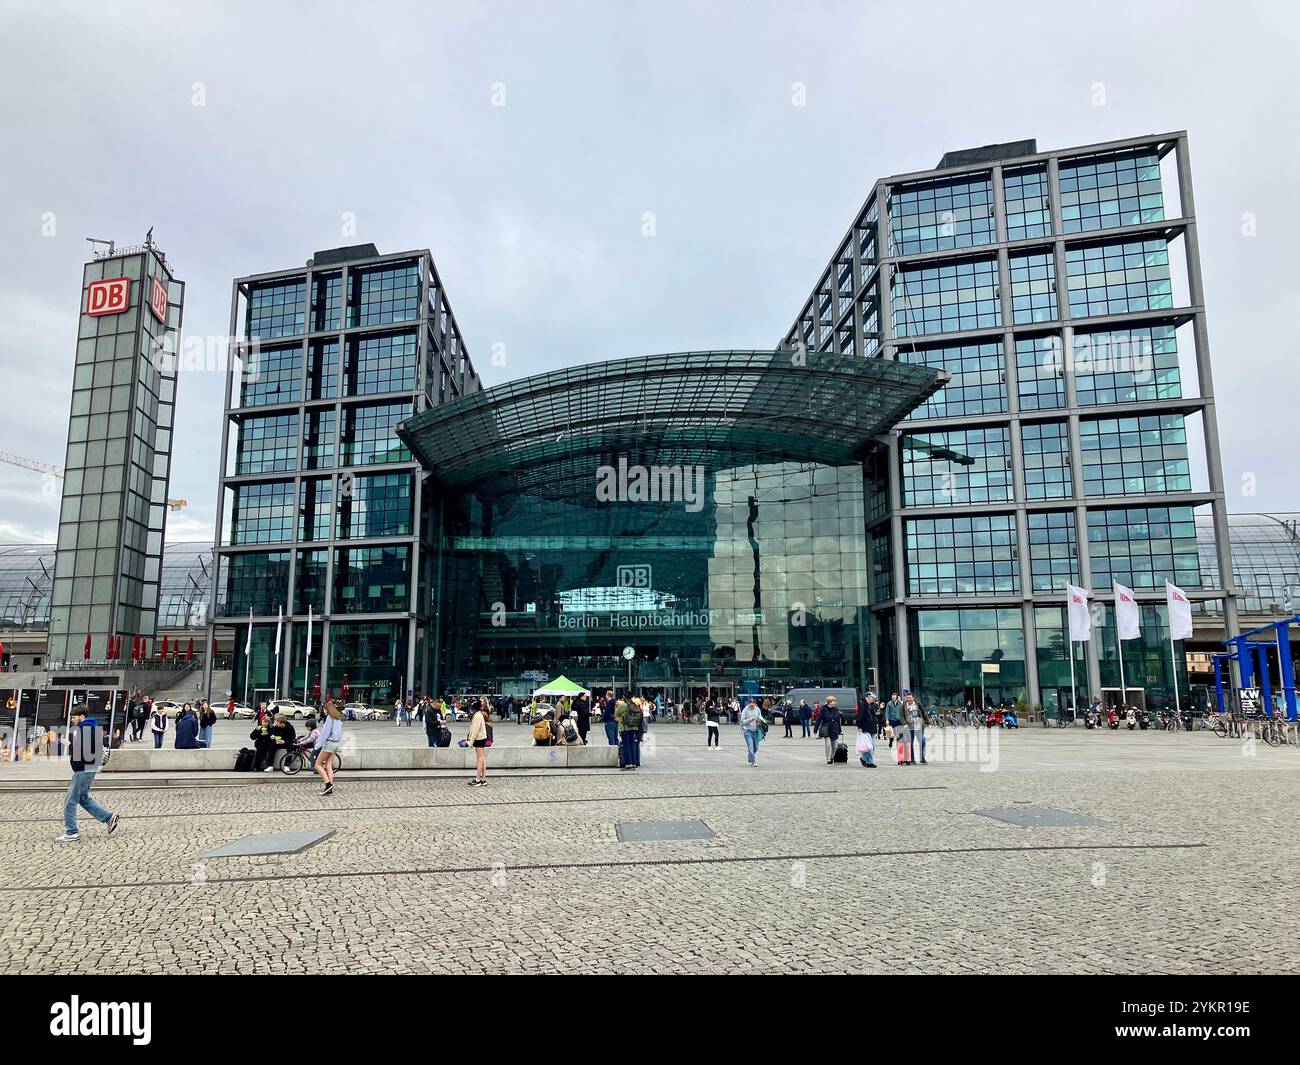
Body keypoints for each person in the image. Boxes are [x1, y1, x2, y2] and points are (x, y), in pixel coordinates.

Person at [57, 704, 120, 843]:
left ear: (81, 716)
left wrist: (69, 745)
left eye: (74, 718)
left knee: (70, 801)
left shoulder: (84, 729)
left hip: (83, 770)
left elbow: (83, 751)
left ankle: (71, 832)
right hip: (89, 768)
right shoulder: (93, 728)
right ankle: (109, 818)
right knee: (83, 798)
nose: (72, 720)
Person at [315, 699, 343, 795]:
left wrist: (318, 745)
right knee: (328, 765)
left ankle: (328, 784)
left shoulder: (329, 718)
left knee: (318, 765)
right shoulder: (338, 718)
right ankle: (330, 787)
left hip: (329, 744)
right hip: (336, 744)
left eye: (324, 709)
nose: (323, 711)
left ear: (328, 709)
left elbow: (325, 733)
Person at [615, 693, 643, 770]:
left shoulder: (623, 705)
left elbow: (616, 715)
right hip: (634, 727)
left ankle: (628, 763)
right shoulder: (634, 704)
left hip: (625, 728)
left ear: (624, 697)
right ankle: (634, 762)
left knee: (626, 746)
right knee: (632, 745)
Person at [466, 701, 489, 786]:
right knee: (482, 758)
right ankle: (483, 779)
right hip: (482, 738)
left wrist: (470, 742)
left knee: (479, 759)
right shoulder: (479, 715)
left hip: (479, 739)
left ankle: (478, 779)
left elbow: (475, 731)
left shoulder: (477, 716)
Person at [740, 698, 764, 768]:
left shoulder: (757, 709)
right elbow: (742, 721)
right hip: (747, 731)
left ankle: (750, 756)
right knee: (750, 747)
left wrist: (760, 721)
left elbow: (760, 717)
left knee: (756, 747)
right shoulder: (745, 710)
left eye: (753, 706)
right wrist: (748, 720)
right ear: (748, 704)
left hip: (756, 731)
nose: (752, 707)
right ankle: (753, 762)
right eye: (751, 706)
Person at [856, 696, 878, 768]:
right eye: (871, 698)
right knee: (869, 746)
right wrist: (859, 727)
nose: (872, 699)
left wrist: (880, 713)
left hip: (873, 728)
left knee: (872, 746)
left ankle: (863, 758)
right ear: (866, 698)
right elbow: (859, 716)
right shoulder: (862, 705)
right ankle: (870, 762)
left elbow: (878, 716)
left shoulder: (874, 705)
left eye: (873, 698)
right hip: (865, 728)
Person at [820, 696, 843, 764]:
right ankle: (828, 759)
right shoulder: (823, 709)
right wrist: (816, 729)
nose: (835, 702)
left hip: (834, 729)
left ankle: (832, 757)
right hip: (827, 729)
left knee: (835, 746)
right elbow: (820, 718)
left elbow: (838, 720)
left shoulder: (836, 709)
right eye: (833, 701)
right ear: (829, 702)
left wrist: (840, 730)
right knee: (828, 745)